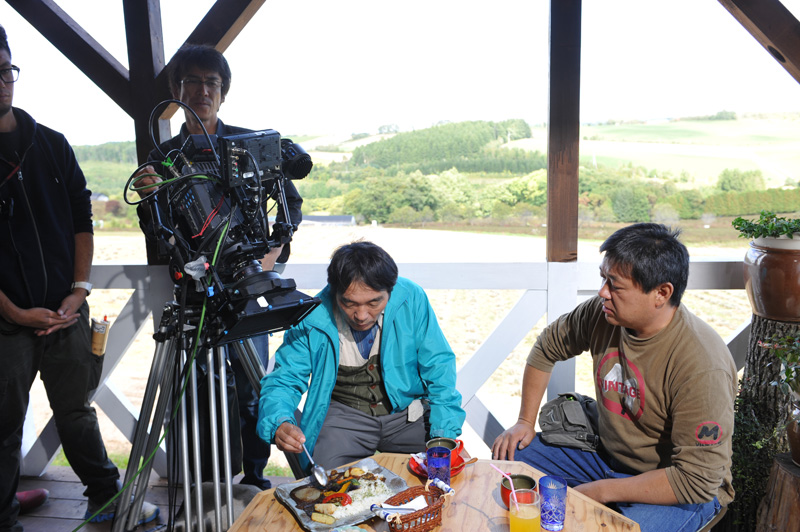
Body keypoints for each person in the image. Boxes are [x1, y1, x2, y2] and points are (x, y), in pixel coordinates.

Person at [0, 25, 158, 530]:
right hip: (6, 320)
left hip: (67, 310)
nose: (1, 83)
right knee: (3, 425)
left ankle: (106, 499)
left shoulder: (51, 144)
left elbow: (80, 221)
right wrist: (14, 311)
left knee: (77, 410)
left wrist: (78, 290)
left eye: (5, 71)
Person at [134, 44, 303, 490]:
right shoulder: (163, 157)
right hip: (195, 294)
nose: (202, 91)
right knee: (196, 391)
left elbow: (291, 205)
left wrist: (269, 258)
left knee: (252, 388)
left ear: (224, 91)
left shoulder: (252, 144)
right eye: (192, 81)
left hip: (249, 288)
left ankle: (253, 475)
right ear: (177, 90)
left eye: (212, 83)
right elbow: (153, 228)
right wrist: (151, 198)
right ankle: (204, 481)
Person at [492, 223, 736, 532]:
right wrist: (524, 422)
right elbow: (547, 347)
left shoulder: (702, 365)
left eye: (615, 285)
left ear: (661, 293)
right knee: (511, 457)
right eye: (603, 278)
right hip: (604, 459)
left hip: (674, 486)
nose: (602, 292)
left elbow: (696, 481)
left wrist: (600, 492)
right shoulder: (602, 313)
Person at [257, 240, 466, 472]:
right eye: (349, 303)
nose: (361, 315)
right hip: (342, 419)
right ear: (334, 291)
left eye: (374, 302)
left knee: (451, 471)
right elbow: (285, 379)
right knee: (328, 485)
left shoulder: (411, 298)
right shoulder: (310, 316)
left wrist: (443, 434)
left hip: (408, 415)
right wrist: (279, 420)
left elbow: (439, 367)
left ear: (391, 290)